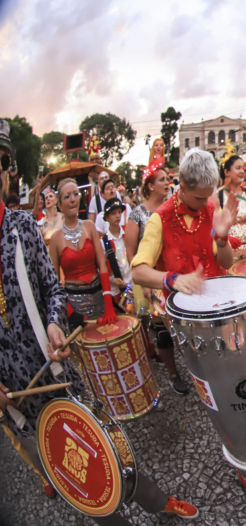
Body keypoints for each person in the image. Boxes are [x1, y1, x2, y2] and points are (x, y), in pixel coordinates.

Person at [0, 121, 199, 525]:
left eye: (1, 163)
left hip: (51, 367)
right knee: (72, 475)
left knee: (104, 446)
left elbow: (51, 289)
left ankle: (156, 500)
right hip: (10, 394)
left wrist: (54, 323)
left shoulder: (21, 228)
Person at [131, 150, 241, 422]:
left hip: (218, 307)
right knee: (204, 370)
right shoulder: (159, 219)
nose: (206, 203)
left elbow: (226, 262)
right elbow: (138, 271)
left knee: (229, 366)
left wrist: (223, 238)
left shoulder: (211, 209)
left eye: (209, 196)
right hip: (187, 316)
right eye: (200, 198)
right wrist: (172, 279)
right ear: (181, 186)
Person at [124, 159, 187, 394]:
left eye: (168, 179)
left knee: (183, 325)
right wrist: (145, 282)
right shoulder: (137, 214)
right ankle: (173, 374)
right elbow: (131, 253)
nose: (167, 182)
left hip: (175, 275)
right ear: (150, 186)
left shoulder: (175, 207)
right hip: (151, 280)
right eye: (162, 179)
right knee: (162, 330)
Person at [49, 179, 118, 325]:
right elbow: (54, 281)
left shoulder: (90, 226)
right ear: (59, 205)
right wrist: (68, 309)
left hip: (99, 299)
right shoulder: (55, 238)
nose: (73, 199)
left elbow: (102, 264)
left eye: (76, 194)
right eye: (67, 196)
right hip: (74, 307)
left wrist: (108, 300)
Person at [101, 198, 132, 308]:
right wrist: (112, 280)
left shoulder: (127, 233)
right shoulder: (104, 242)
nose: (118, 216)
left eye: (119, 212)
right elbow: (101, 268)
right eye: (113, 213)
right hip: (116, 290)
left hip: (132, 285)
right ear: (106, 217)